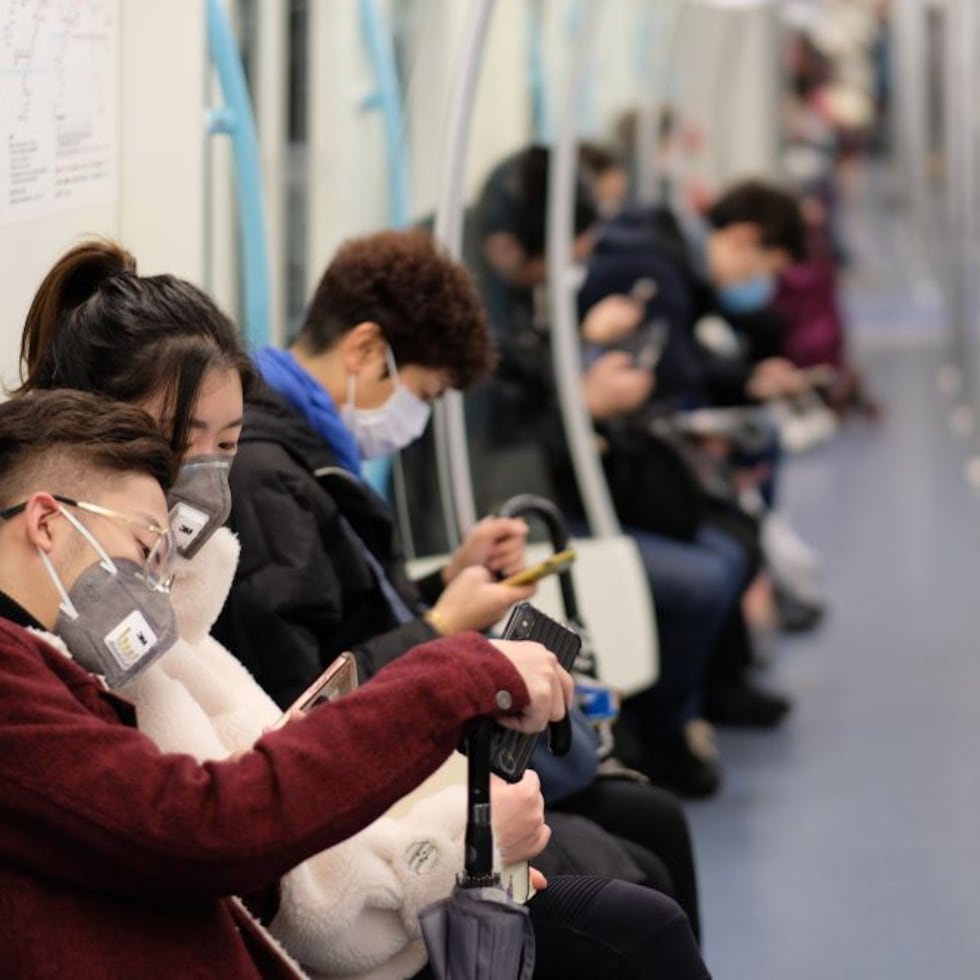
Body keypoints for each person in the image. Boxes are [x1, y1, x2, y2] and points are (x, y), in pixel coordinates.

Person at [18, 239, 706, 972]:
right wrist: (456, 838)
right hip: (357, 900)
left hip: (364, 858)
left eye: (229, 443)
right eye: (185, 446)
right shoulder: (89, 651)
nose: (210, 482)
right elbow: (257, 852)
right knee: (633, 909)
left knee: (638, 869)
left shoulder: (179, 618)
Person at [0, 388, 595, 979]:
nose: (151, 584)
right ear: (48, 522)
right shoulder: (13, 677)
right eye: (142, 547)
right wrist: (454, 674)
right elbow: (201, 824)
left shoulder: (53, 670)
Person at [213, 228, 705, 926]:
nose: (415, 417)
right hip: (368, 787)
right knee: (642, 876)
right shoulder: (267, 478)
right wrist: (445, 625)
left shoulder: (307, 449)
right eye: (423, 392)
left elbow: (352, 608)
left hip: (403, 733)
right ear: (362, 351)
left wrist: (454, 573)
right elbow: (306, 699)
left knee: (651, 821)